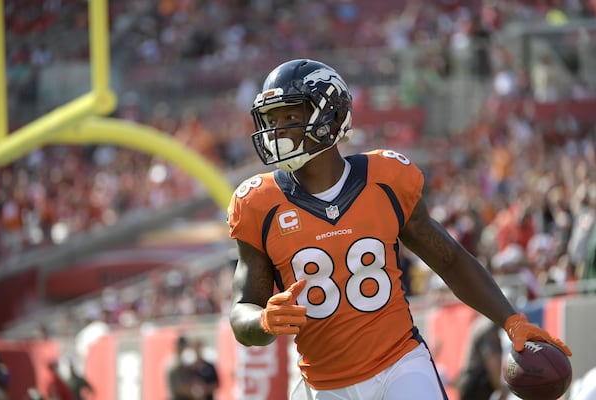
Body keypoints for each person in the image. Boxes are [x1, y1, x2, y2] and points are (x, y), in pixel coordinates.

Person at [226, 59, 572, 400]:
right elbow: (243, 309)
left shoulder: (386, 179)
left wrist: (511, 320)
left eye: (290, 115)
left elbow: (449, 260)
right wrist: (264, 322)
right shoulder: (258, 203)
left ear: (330, 115)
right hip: (320, 385)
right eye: (273, 119)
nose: (278, 129)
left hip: (399, 367)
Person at [457, 313, 509, 400]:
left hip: (471, 382)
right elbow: (492, 363)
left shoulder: (482, 322)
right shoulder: (489, 326)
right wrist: (503, 392)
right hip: (476, 384)